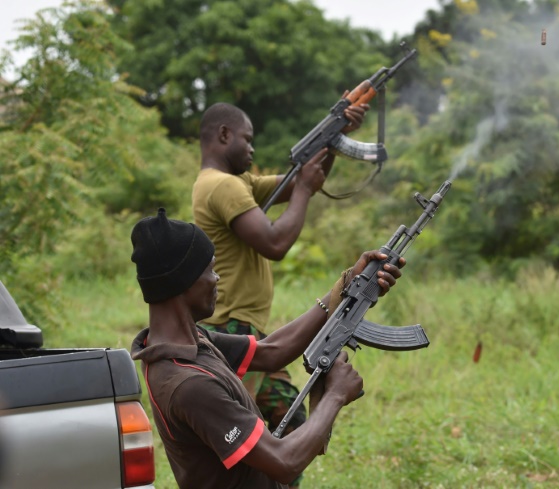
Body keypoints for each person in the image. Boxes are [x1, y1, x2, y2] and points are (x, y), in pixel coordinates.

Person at [129, 208, 403, 489]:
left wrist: (346, 288)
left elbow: (271, 351)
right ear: (183, 281)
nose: (217, 279)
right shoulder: (189, 385)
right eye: (210, 269)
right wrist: (335, 395)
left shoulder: (187, 342)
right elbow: (283, 462)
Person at [191, 102, 368, 475]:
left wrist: (334, 137)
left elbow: (297, 183)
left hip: (244, 327)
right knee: (257, 436)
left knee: (290, 418)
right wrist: (304, 188)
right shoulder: (222, 186)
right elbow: (275, 242)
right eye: (247, 139)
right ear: (224, 135)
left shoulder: (235, 183)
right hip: (232, 328)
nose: (253, 149)